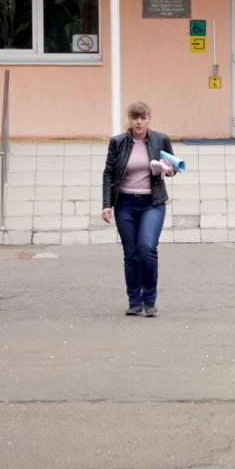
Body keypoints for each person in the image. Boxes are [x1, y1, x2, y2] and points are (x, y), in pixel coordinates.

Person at [101, 102, 177, 317]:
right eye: (135, 118)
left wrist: (168, 170)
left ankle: (150, 300)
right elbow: (108, 173)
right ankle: (134, 301)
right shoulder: (118, 142)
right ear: (130, 119)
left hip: (152, 203)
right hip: (125, 203)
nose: (139, 122)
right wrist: (107, 204)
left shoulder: (160, 139)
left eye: (143, 117)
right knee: (131, 254)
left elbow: (173, 168)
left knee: (147, 248)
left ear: (149, 118)